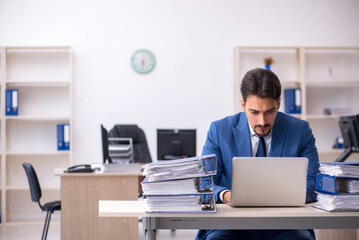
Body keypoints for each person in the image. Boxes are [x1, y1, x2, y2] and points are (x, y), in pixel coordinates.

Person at [195, 68, 319, 240]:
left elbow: (314, 182)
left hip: (285, 225)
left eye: (269, 111)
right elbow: (204, 183)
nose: (262, 121)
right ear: (243, 105)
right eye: (254, 112)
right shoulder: (219, 130)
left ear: (279, 104)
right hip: (231, 225)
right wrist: (226, 194)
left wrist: (280, 196)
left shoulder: (300, 131)